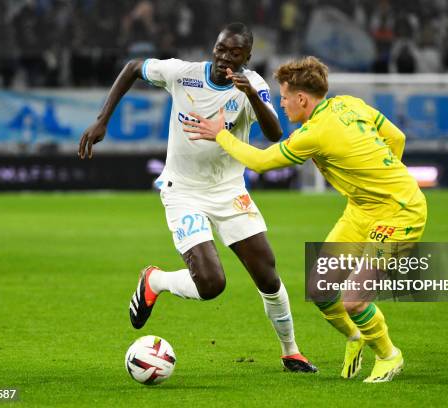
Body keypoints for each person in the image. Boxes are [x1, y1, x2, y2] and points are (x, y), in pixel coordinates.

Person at [77, 23, 316, 373]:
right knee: (211, 284)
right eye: (220, 49)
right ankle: (155, 280)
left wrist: (250, 94)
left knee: (267, 274)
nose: (224, 57)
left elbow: (275, 133)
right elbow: (132, 68)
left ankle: (290, 351)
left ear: (247, 57)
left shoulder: (254, 87)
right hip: (183, 192)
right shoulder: (183, 73)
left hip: (230, 192)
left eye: (234, 53)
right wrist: (102, 121)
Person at [184, 56, 427, 383]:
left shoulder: (312, 134)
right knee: (321, 288)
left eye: (284, 97)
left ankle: (388, 355)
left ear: (302, 99)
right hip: (362, 209)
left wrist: (221, 135)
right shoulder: (349, 104)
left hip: (400, 212)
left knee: (353, 299)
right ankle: (356, 337)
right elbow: (397, 138)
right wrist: (378, 179)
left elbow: (259, 161)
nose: (281, 104)